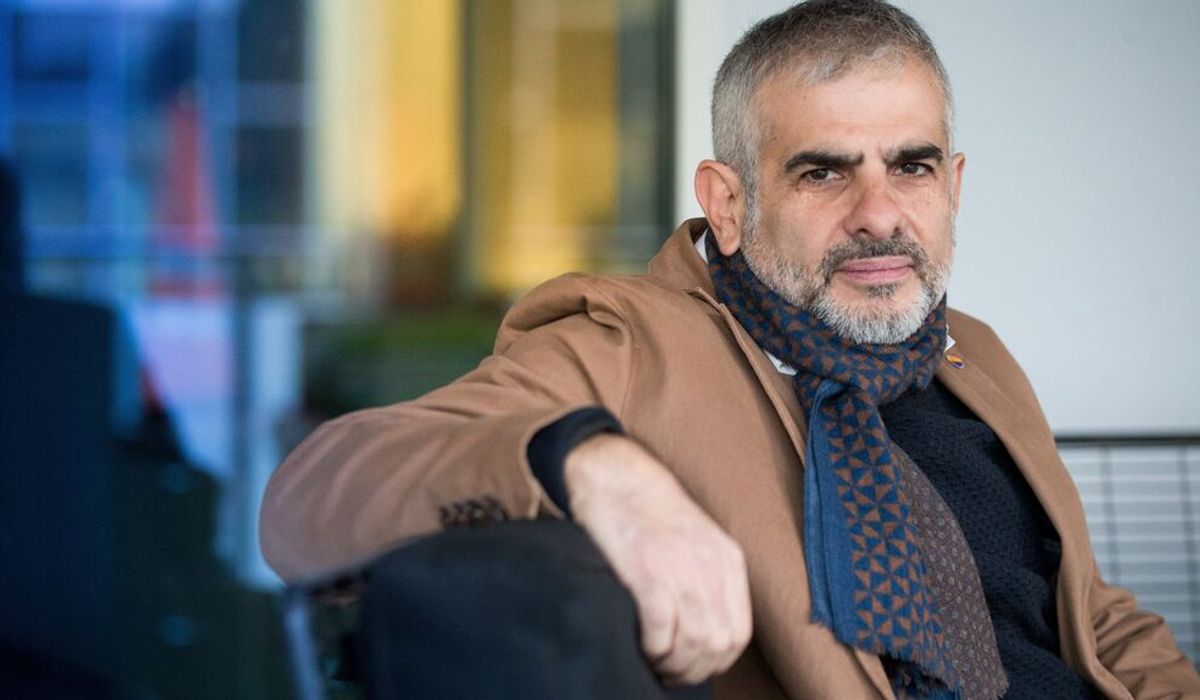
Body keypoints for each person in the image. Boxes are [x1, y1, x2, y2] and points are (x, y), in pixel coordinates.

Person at [260, 1, 1200, 697]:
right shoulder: (636, 343)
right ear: (728, 202)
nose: (879, 214)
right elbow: (309, 497)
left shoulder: (973, 354)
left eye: (911, 167)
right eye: (823, 173)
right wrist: (589, 466)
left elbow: (1088, 612)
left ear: (952, 186)